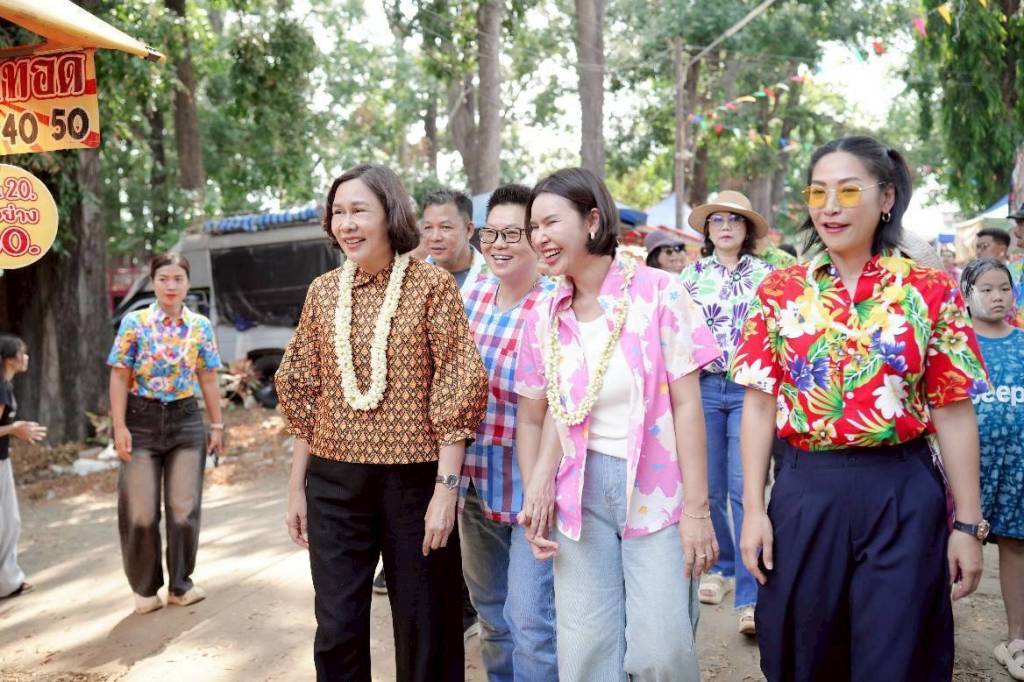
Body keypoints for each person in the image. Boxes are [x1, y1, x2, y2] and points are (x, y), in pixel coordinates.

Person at [732, 135, 990, 681]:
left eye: (848, 191)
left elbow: (952, 410)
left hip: (903, 493)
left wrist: (967, 525)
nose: (830, 207)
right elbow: (758, 406)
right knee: (802, 655)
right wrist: (754, 510)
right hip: (805, 493)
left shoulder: (929, 290)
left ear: (886, 198)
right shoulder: (780, 291)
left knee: (897, 658)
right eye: (818, 192)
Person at [276, 164, 487, 682]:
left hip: (415, 484)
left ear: (390, 214)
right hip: (333, 484)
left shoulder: (432, 286)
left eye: (359, 211)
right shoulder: (323, 291)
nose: (346, 224)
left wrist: (445, 492)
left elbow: (457, 382)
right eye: (338, 212)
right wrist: (297, 487)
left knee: (426, 624)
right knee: (337, 627)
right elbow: (305, 392)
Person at [514, 167, 721, 681]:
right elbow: (541, 413)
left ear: (592, 221)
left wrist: (697, 510)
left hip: (657, 491)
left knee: (661, 652)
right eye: (533, 226)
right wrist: (537, 492)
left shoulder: (660, 293)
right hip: (578, 494)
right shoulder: (543, 312)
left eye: (550, 222)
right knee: (586, 652)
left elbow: (688, 407)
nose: (539, 236)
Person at [459, 184, 558, 681]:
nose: (498, 244)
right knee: (492, 617)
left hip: (532, 485)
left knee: (532, 621)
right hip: (474, 481)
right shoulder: (472, 294)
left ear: (536, 238)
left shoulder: (555, 304)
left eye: (512, 234)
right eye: (490, 233)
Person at [108, 253, 224, 614]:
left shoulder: (200, 326)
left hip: (186, 421)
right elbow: (119, 375)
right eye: (163, 279)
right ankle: (145, 590)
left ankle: (180, 585)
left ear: (188, 283)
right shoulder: (135, 323)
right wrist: (119, 426)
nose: (171, 286)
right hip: (140, 422)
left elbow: (208, 377)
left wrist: (217, 425)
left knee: (183, 509)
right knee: (140, 512)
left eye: (178, 279)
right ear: (153, 282)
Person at [680, 190, 774, 634]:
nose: (725, 226)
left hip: (749, 391)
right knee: (710, 487)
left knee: (745, 487)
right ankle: (721, 567)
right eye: (716, 220)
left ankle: (750, 597)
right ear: (707, 230)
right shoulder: (690, 276)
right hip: (702, 388)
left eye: (734, 220)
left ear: (747, 229)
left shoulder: (766, 276)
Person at [959, 258, 1024, 680]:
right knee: (949, 546)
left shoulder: (1023, 343)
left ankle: (1018, 640)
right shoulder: (957, 345)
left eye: (1004, 288)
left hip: (1017, 467)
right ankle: (929, 635)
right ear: (966, 296)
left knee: (1017, 546)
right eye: (987, 289)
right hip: (967, 469)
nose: (998, 296)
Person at [0, 335, 46, 600]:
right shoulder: (1, 388)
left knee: (9, 522)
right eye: (21, 352)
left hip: (2, 460)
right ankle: (7, 582)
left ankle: (8, 581)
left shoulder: (6, 385)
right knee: (6, 523)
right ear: (9, 359)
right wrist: (14, 429)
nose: (26, 357)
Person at [422, 188, 489, 295]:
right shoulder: (410, 278)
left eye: (445, 227)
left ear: (468, 230)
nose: (435, 237)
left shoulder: (494, 277)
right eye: (428, 227)